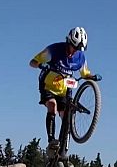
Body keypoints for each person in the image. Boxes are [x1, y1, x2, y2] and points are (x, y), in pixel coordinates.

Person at [29, 26, 101, 158]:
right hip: (48, 86)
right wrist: (41, 65)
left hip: (64, 90)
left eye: (78, 49)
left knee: (66, 116)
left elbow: (84, 73)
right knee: (52, 106)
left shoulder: (80, 57)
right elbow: (32, 62)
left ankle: (63, 149)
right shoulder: (54, 49)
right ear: (68, 42)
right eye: (74, 47)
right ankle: (51, 141)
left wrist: (93, 77)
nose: (75, 52)